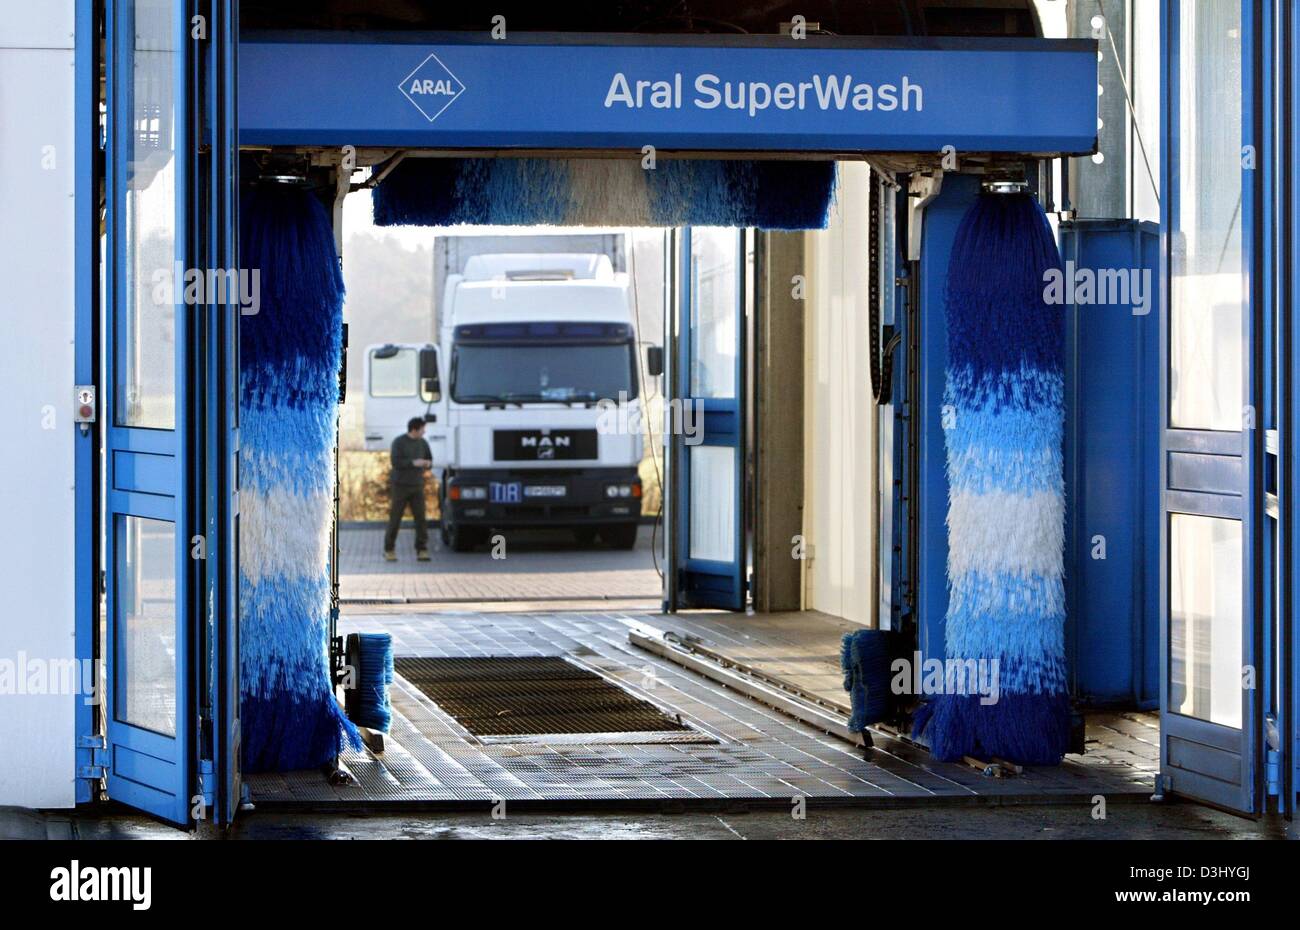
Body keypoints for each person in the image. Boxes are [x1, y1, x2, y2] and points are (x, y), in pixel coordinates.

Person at [384, 417, 433, 561]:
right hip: (400, 486)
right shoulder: (399, 442)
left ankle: (422, 549)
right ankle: (389, 550)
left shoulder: (423, 443)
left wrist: (426, 463)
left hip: (417, 485)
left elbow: (430, 460)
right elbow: (395, 462)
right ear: (414, 429)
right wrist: (413, 462)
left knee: (421, 519)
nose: (424, 432)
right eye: (423, 429)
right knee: (395, 518)